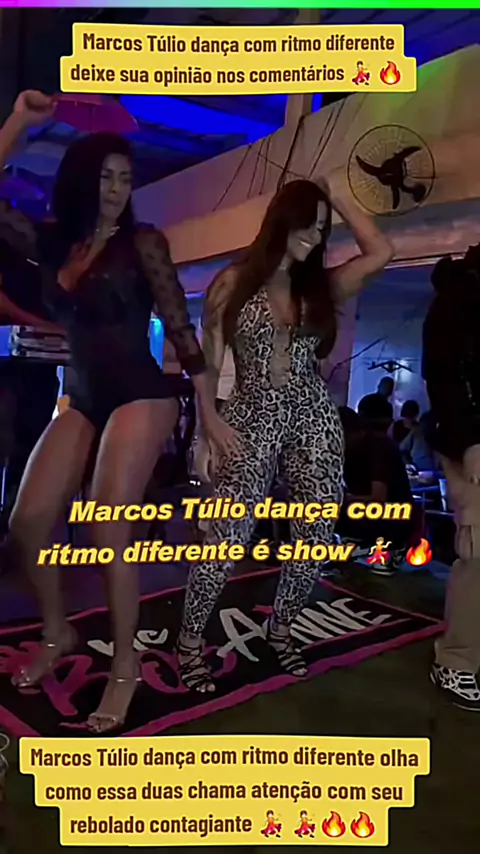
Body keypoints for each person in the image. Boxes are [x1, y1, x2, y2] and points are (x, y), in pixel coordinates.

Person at [0, 90, 234, 732]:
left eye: (125, 179)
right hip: (81, 394)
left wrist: (208, 415)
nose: (116, 190)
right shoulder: (55, 243)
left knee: (107, 523)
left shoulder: (144, 243)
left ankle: (126, 665)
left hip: (140, 391)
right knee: (28, 522)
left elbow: (180, 329)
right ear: (84, 179)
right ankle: (58, 633)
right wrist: (19, 121)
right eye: (106, 177)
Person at [176, 175, 393, 692]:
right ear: (283, 219)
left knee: (314, 534)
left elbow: (382, 251)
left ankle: (281, 629)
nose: (315, 237)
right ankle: (188, 642)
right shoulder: (232, 282)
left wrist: (336, 196)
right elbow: (208, 361)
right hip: (249, 412)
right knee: (226, 537)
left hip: (312, 413)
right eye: (308, 225)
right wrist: (207, 427)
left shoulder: (319, 288)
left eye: (322, 229)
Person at [422, 246, 480, 710]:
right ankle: (456, 661)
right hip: (468, 439)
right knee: (478, 551)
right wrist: (472, 441)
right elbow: (444, 376)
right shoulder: (460, 293)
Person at [0, 240, 63, 528]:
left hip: (38, 364)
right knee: (10, 441)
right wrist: (46, 327)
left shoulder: (48, 252)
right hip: (10, 362)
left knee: (30, 444)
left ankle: (14, 522)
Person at [337, 402, 415, 574]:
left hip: (392, 519)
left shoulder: (379, 448)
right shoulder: (348, 452)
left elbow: (378, 497)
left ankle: (392, 548)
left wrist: (344, 499)